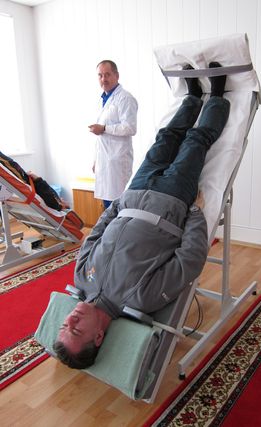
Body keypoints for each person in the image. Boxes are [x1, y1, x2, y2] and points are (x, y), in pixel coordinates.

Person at [54, 62, 230, 369]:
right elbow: (189, 260)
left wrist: (117, 205)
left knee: (165, 137)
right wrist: (194, 213)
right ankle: (216, 94)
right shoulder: (141, 299)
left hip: (134, 192)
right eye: (76, 329)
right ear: (98, 337)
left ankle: (192, 99)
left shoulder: (82, 278)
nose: (71, 319)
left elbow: (94, 235)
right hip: (171, 200)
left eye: (64, 325)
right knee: (194, 142)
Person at [89, 60, 138, 209]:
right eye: (100, 75)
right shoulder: (102, 99)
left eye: (107, 75)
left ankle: (117, 232)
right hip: (104, 160)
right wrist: (96, 160)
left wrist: (104, 128)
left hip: (117, 161)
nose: (104, 79)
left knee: (119, 203)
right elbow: (100, 137)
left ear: (116, 75)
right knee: (107, 203)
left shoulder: (125, 98)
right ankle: (109, 231)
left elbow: (130, 128)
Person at [0, 151, 69, 211]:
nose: (64, 199)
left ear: (64, 207)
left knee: (10, 163)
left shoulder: (55, 204)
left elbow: (45, 190)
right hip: (30, 183)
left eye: (65, 202)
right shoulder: (55, 202)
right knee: (10, 163)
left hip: (28, 183)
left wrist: (37, 178)